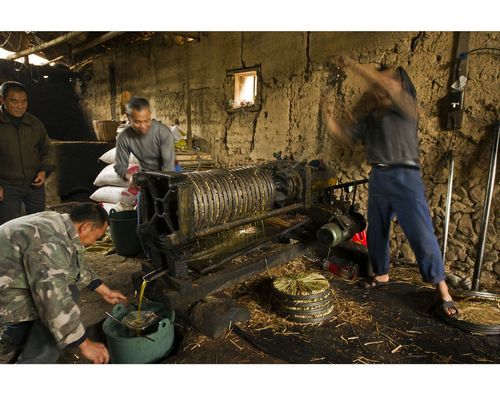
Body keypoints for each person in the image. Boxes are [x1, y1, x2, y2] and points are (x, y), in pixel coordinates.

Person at [323, 56, 458, 318]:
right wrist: (327, 111)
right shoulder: (372, 117)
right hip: (379, 177)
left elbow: (385, 83)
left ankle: (443, 291)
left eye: (387, 82)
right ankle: (381, 274)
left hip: (405, 176)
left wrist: (352, 64)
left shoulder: (405, 106)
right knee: (377, 230)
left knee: (421, 232)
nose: (379, 86)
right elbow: (342, 135)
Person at [0, 203, 128, 363]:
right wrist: (84, 344)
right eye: (97, 237)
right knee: (55, 313)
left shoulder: (59, 222)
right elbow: (53, 300)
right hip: (5, 290)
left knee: (68, 292)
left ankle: (15, 339)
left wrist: (104, 291)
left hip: (8, 278)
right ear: (86, 227)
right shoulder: (50, 242)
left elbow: (71, 264)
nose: (95, 243)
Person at [0, 81, 54, 225]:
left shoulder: (34, 123)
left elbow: (47, 149)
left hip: (34, 185)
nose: (20, 106)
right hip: (7, 187)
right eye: (14, 101)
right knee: (9, 228)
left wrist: (44, 170)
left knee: (38, 225)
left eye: (24, 101)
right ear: (2, 100)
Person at [114, 96, 176, 184]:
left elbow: (168, 166)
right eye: (137, 122)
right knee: (142, 197)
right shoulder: (124, 138)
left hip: (171, 172)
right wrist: (130, 177)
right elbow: (120, 166)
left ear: (150, 114)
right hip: (146, 174)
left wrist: (163, 187)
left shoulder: (163, 132)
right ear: (128, 117)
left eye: (146, 120)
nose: (143, 126)